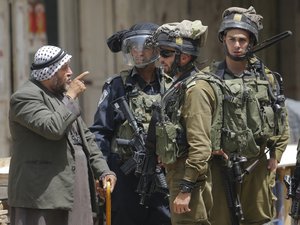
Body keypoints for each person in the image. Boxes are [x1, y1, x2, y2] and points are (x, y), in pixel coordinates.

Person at [8, 45, 117, 225]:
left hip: (74, 190)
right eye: (65, 68)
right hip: (42, 196)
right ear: (50, 72)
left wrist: (103, 170)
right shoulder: (25, 97)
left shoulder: (60, 97)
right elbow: (53, 128)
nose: (70, 72)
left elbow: (85, 139)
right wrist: (71, 96)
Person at [202, 6, 290, 225]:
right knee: (219, 219)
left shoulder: (267, 79)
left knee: (259, 219)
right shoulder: (208, 78)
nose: (237, 45)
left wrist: (275, 155)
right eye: (232, 39)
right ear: (224, 40)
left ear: (251, 42)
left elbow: (281, 119)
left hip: (257, 163)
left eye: (243, 39)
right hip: (219, 163)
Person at [89, 23, 172, 225]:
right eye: (134, 48)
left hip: (162, 174)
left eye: (144, 47)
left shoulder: (171, 85)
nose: (139, 53)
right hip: (125, 176)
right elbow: (100, 132)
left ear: (156, 49)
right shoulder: (117, 86)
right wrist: (102, 172)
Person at [152, 19, 214, 225]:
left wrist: (186, 189)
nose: (161, 59)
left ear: (185, 56)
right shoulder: (179, 85)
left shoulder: (195, 90)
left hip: (189, 180)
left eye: (166, 54)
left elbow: (200, 146)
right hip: (178, 174)